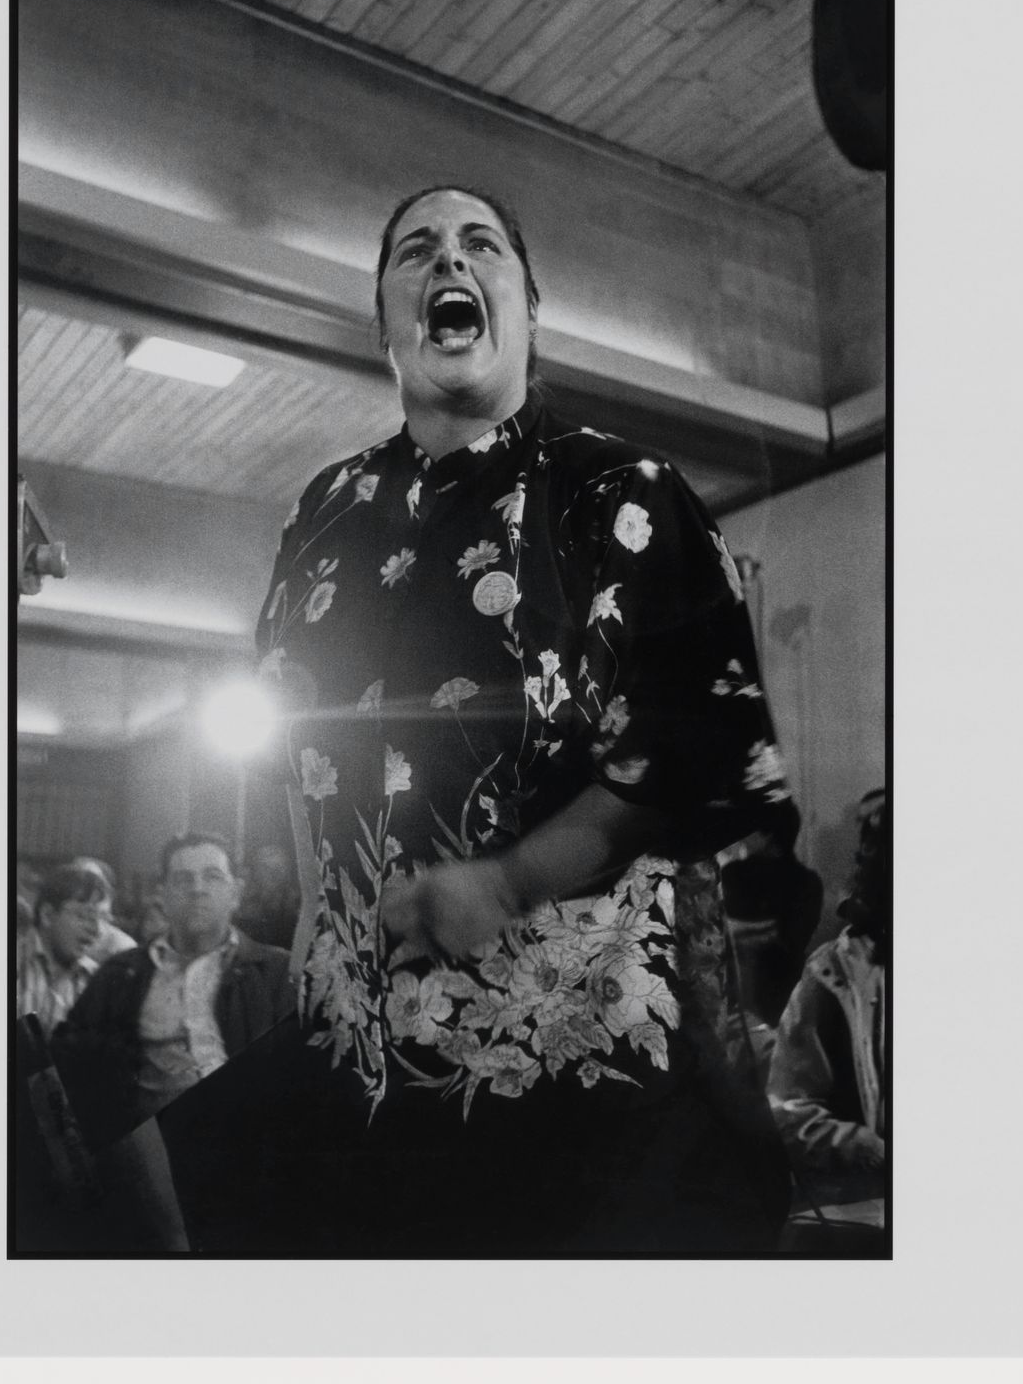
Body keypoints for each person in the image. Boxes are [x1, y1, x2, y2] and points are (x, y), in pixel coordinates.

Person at [230, 184, 801, 1257]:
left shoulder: (621, 491)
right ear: (385, 323)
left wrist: (510, 879)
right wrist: (315, 909)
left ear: (527, 309)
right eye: (416, 251)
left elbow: (698, 756)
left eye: (479, 244)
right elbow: (287, 728)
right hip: (370, 1107)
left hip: (593, 1121)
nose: (449, 259)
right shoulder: (323, 511)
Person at [53, 833, 297, 1149]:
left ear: (235, 893)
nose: (197, 889)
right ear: (163, 895)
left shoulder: (276, 974)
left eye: (212, 876)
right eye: (183, 880)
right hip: (151, 1160)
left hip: (252, 1151)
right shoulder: (121, 976)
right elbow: (70, 1067)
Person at [767, 788, 888, 1199]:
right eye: (865, 842)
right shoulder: (835, 969)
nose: (861, 856)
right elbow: (789, 1107)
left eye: (876, 843)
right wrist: (869, 1151)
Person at [718, 815, 824, 1084]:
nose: (743, 838)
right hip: (783, 990)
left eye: (750, 831)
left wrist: (736, 932)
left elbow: (725, 933)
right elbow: (790, 939)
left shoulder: (734, 875)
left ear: (768, 835)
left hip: (753, 990)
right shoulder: (808, 882)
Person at [15, 861, 110, 1035]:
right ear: (47, 915)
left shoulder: (94, 981)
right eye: (83, 916)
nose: (95, 930)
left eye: (100, 919)